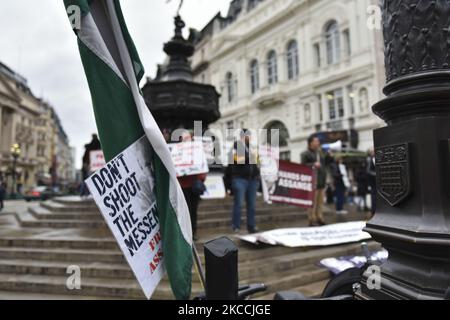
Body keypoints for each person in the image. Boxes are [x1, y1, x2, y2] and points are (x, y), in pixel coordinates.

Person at [228, 129, 260, 234]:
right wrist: (250, 157)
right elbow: (237, 160)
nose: (250, 137)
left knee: (252, 205)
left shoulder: (251, 148)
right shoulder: (236, 146)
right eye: (248, 135)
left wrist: (257, 173)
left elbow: (256, 162)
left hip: (252, 180)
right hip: (240, 179)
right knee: (239, 204)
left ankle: (251, 226)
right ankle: (235, 226)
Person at [177, 131, 207, 241]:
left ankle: (193, 232)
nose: (187, 140)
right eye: (184, 139)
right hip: (182, 186)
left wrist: (201, 178)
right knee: (185, 210)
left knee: (193, 210)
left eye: (188, 138)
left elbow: (203, 167)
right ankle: (185, 232)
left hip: (194, 186)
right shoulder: (177, 152)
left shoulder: (197, 152)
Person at [301, 136, 327, 226]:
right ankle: (312, 219)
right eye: (316, 141)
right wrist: (313, 164)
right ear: (310, 143)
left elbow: (325, 164)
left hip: (321, 181)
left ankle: (320, 217)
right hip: (313, 181)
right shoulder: (305, 154)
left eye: (318, 141)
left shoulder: (319, 153)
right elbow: (303, 166)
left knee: (320, 202)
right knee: (313, 202)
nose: (318, 143)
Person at [367, 148, 377, 217]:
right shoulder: (369, 160)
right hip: (373, 182)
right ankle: (373, 211)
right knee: (373, 197)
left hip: (377, 182)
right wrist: (376, 174)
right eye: (373, 151)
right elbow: (368, 171)